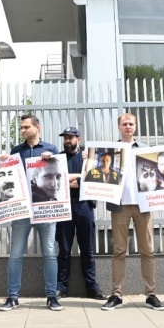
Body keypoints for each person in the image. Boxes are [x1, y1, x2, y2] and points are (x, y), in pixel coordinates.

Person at [102, 112, 164, 311]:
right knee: (119, 251)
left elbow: (162, 170)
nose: (128, 126)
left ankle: (151, 295)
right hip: (120, 206)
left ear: (135, 126)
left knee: (147, 251)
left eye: (131, 124)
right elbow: (99, 172)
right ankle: (116, 295)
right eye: (124, 123)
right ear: (119, 127)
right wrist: (87, 160)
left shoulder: (146, 150)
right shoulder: (109, 151)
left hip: (143, 206)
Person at [0, 114, 62, 312]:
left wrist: (52, 160)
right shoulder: (17, 151)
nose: (23, 130)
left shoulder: (51, 149)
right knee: (16, 253)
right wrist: (3, 162)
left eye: (26, 127)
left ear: (37, 127)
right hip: (22, 209)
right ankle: (12, 297)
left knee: (49, 252)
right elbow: (9, 177)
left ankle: (52, 297)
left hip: (45, 207)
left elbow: (59, 175)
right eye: (21, 128)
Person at [54, 127, 105, 300]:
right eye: (65, 138)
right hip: (64, 206)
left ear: (79, 139)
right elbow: (56, 182)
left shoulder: (88, 157)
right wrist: (77, 178)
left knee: (87, 249)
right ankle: (61, 287)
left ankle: (92, 287)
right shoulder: (58, 158)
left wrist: (71, 180)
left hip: (84, 206)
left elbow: (94, 180)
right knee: (64, 250)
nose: (67, 140)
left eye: (71, 137)